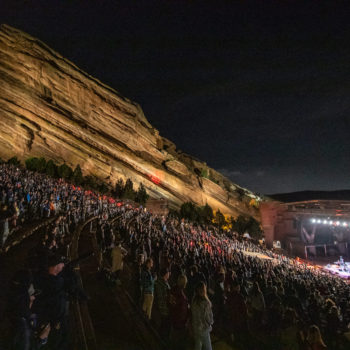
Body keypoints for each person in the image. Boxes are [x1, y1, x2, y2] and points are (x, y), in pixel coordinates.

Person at [191, 282, 213, 350]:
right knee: (208, 348)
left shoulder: (194, 301)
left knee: (198, 345)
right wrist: (211, 322)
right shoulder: (206, 303)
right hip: (204, 329)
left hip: (196, 327)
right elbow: (208, 318)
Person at [169, 274, 189, 350]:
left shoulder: (173, 290)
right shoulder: (182, 297)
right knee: (178, 342)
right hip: (179, 323)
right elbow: (183, 313)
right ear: (184, 284)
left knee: (173, 338)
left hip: (172, 317)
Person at [154, 267, 171, 339]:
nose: (169, 274)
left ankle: (161, 336)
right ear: (165, 274)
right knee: (165, 324)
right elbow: (162, 296)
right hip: (164, 307)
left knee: (163, 323)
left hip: (161, 306)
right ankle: (163, 338)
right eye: (168, 273)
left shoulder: (158, 282)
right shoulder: (163, 284)